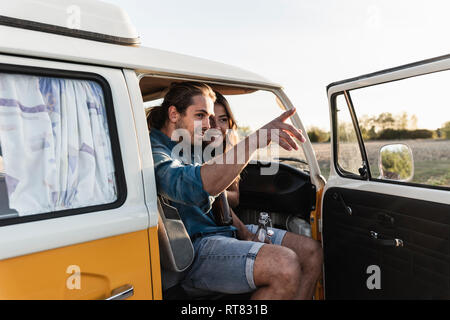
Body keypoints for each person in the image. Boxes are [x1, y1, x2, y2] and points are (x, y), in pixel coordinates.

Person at [147, 81, 323, 300]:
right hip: (193, 249)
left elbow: (219, 198)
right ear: (174, 114)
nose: (208, 124)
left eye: (209, 117)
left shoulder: (192, 146)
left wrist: (245, 232)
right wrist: (254, 141)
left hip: (222, 232)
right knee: (284, 265)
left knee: (312, 253)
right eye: (200, 115)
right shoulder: (154, 152)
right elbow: (194, 187)